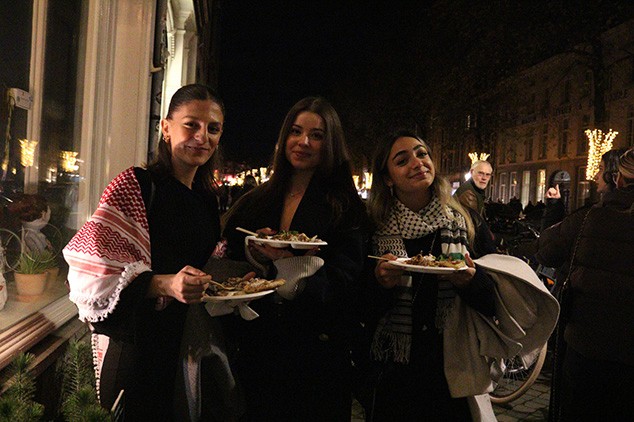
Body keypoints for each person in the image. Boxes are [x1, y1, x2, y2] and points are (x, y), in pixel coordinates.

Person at [63, 84, 225, 420]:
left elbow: (205, 259)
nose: (202, 137)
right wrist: (166, 284)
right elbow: (91, 272)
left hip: (186, 344)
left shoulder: (208, 199)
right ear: (166, 127)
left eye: (213, 128)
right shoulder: (135, 185)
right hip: (137, 346)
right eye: (191, 124)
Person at [222, 96, 369, 421]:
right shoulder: (258, 199)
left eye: (316, 135)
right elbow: (233, 254)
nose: (303, 142)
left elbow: (347, 279)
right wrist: (257, 260)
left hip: (316, 353)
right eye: (296, 131)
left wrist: (293, 270)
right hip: (259, 348)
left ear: (330, 144)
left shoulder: (344, 207)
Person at [365, 132, 498, 421]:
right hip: (395, 373)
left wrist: (470, 282)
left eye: (422, 154)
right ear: (387, 178)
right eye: (402, 160)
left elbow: (494, 300)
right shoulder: (372, 227)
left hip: (452, 371)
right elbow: (359, 306)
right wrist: (381, 285)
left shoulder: (467, 221)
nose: (417, 163)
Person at [536, 147, 634, 421]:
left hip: (587, 350)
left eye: (602, 170)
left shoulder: (590, 218)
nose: (598, 175)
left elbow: (547, 250)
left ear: (619, 178)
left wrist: (553, 209)